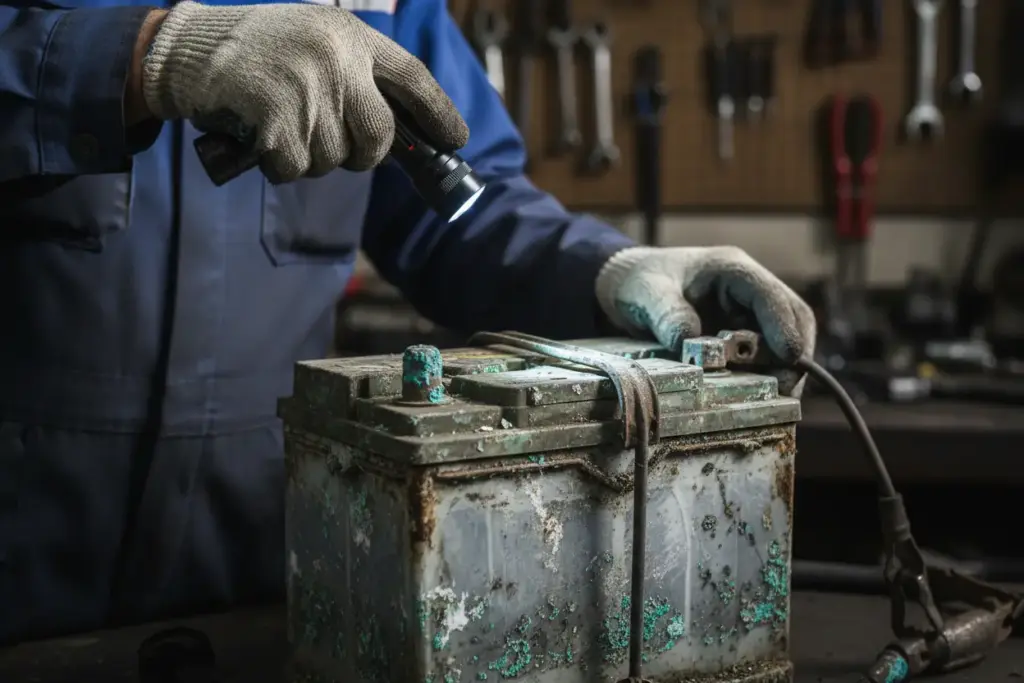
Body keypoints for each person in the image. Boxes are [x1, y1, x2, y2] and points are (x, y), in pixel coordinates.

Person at [0, 0, 815, 642]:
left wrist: (608, 272)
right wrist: (148, 56)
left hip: (264, 563)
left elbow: (459, 203)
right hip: (23, 548)